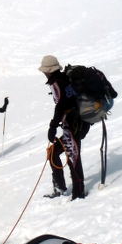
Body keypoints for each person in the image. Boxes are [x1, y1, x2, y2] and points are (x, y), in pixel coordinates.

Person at [39, 55, 88, 199]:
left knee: (74, 156)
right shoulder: (63, 79)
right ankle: (60, 188)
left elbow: (61, 106)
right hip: (73, 124)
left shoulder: (58, 82)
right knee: (54, 153)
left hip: (74, 125)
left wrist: (52, 127)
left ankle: (79, 192)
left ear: (48, 70)